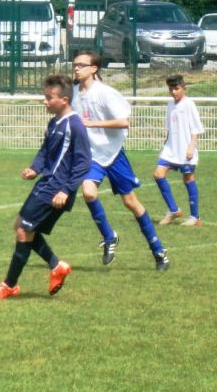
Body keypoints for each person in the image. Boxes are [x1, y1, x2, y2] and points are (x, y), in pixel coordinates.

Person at [0, 75, 90, 301]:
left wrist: (66, 190)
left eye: (49, 98)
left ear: (64, 100)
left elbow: (83, 163)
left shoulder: (75, 126)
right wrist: (34, 168)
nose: (45, 101)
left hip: (56, 189)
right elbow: (45, 151)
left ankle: (9, 285)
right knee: (21, 226)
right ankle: (56, 266)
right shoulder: (54, 123)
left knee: (24, 230)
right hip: (46, 184)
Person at [71, 50, 169, 270]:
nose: (76, 68)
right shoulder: (74, 93)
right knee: (88, 193)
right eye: (74, 64)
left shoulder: (105, 93)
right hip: (92, 156)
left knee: (130, 202)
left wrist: (93, 124)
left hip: (114, 154)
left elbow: (124, 122)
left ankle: (158, 251)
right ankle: (109, 237)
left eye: (81, 65)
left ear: (94, 68)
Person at [154, 74, 204, 227]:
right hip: (170, 149)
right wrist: (165, 146)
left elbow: (196, 129)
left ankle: (195, 217)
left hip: (185, 149)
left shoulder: (189, 104)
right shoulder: (170, 104)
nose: (174, 92)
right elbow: (170, 129)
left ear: (184, 88)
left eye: (176, 88)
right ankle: (173, 210)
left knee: (188, 179)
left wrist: (191, 147)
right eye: (171, 89)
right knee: (158, 174)